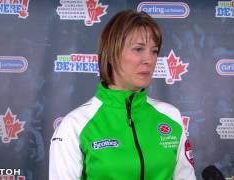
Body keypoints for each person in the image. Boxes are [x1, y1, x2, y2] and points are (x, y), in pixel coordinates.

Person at [49, 9, 196, 180]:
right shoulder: (75, 125)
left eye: (154, 51)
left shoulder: (171, 116)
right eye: (138, 49)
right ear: (111, 54)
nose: (149, 59)